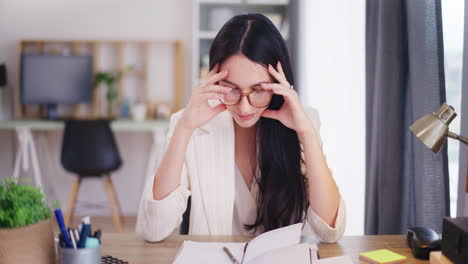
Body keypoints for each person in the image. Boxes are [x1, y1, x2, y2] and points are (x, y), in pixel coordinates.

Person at [136, 13, 346, 243]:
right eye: (232, 89)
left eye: (258, 90)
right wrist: (184, 129)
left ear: (278, 84)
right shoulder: (189, 124)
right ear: (214, 80)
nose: (244, 107)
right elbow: (153, 230)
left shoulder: (304, 122)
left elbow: (330, 232)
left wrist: (306, 133)